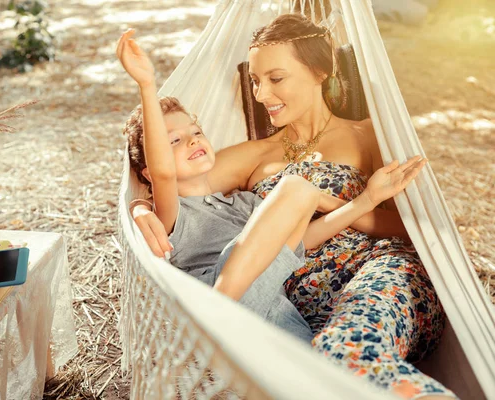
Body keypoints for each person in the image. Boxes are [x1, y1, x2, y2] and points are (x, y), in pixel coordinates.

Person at [128, 13, 455, 400]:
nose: (261, 95)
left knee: (343, 354)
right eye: (254, 81)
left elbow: (413, 227)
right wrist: (139, 207)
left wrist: (326, 198)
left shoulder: (367, 135)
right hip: (289, 303)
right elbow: (171, 180)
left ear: (320, 72)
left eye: (275, 78)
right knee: (323, 369)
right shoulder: (252, 155)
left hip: (372, 273)